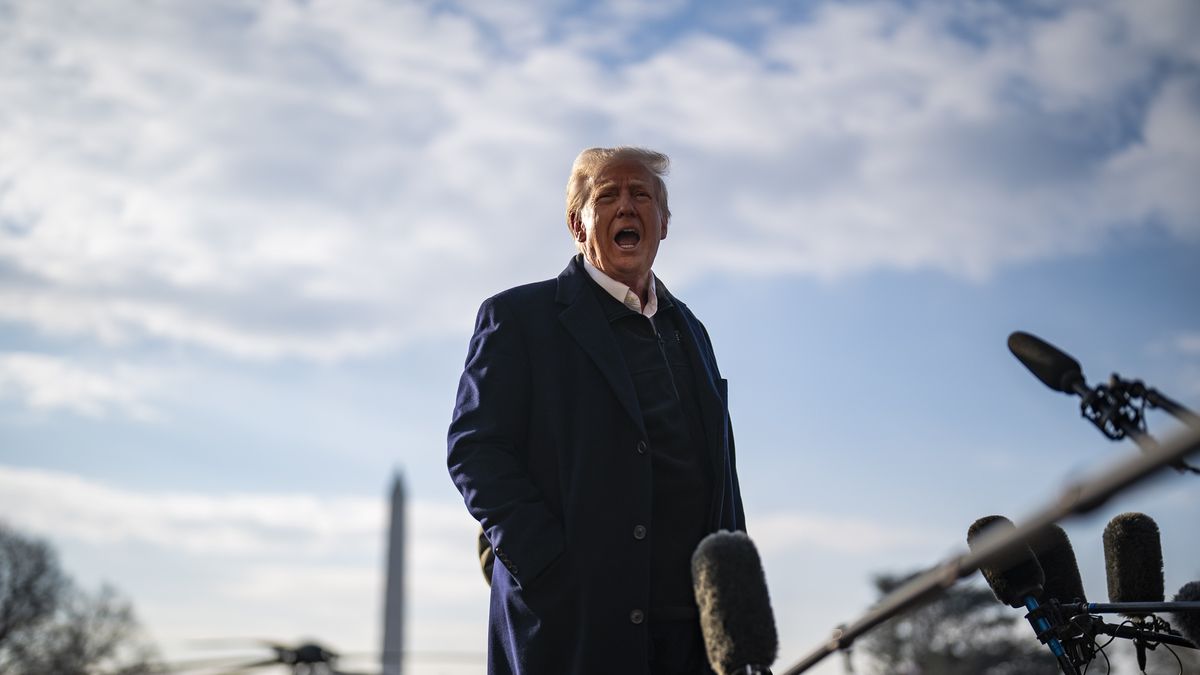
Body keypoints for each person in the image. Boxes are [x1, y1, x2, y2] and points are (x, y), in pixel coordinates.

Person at [448, 147, 746, 675]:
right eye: (607, 195)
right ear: (577, 224)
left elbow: (722, 480)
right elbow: (476, 450)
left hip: (692, 638)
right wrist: (547, 567)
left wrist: (737, 620)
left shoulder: (693, 333)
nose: (627, 207)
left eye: (642, 196)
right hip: (575, 629)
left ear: (664, 222)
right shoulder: (518, 318)